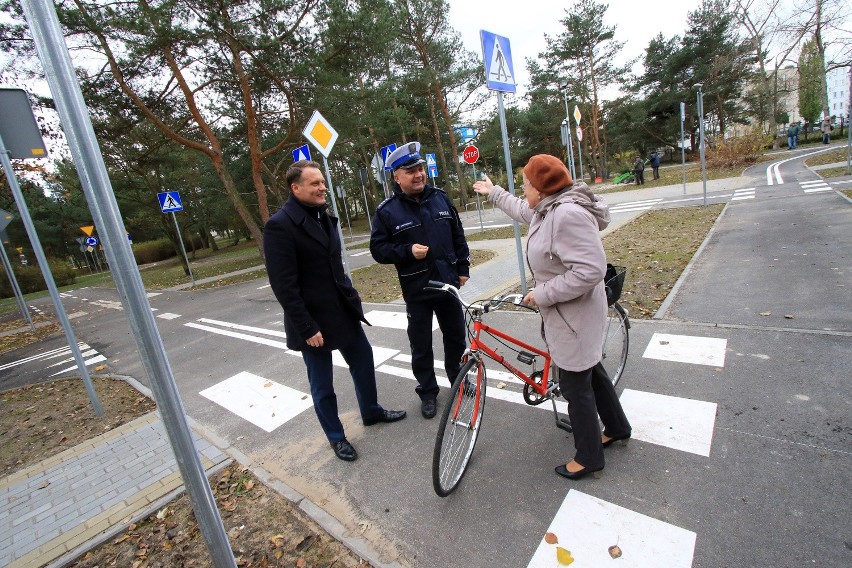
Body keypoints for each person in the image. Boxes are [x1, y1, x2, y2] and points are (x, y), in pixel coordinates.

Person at [472, 154, 631, 480]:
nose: (523, 188)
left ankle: (589, 457)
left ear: (542, 189)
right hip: (571, 315)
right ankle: (617, 427)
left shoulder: (567, 215)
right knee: (591, 371)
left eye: (526, 184)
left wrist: (542, 294)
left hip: (575, 317)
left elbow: (591, 270)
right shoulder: (548, 209)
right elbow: (521, 209)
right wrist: (493, 192)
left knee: (575, 387)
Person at [264, 160, 406, 462]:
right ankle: (336, 437)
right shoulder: (280, 225)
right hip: (312, 321)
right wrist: (306, 327)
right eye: (314, 183)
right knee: (322, 384)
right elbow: (284, 286)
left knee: (364, 361)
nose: (321, 187)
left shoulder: (322, 217)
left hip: (341, 311)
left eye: (322, 182)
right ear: (296, 188)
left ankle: (370, 411)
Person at [370, 142, 471, 419]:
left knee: (455, 339)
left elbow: (458, 236)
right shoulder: (387, 211)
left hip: (448, 284)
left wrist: (463, 268)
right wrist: (406, 251)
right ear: (396, 176)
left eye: (420, 169)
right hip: (418, 288)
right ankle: (428, 392)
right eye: (410, 170)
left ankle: (459, 381)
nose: (418, 174)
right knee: (421, 344)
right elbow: (377, 249)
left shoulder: (440, 198)